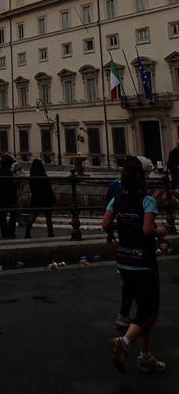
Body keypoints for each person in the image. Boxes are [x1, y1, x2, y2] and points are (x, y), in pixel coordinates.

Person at [103, 157, 167, 374]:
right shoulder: (147, 201)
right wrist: (161, 232)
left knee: (141, 310)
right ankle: (125, 342)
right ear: (143, 180)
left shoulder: (117, 200)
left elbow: (105, 224)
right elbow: (148, 230)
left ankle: (145, 356)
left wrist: (118, 226)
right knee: (150, 312)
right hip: (144, 262)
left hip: (124, 260)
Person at [24, 158, 55, 238]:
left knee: (33, 215)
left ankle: (27, 232)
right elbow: (49, 188)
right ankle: (50, 233)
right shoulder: (44, 176)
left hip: (36, 198)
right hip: (45, 198)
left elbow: (32, 188)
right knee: (48, 216)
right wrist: (53, 199)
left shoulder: (32, 176)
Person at [0, 153, 18, 238]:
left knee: (2, 215)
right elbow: (11, 189)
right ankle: (11, 231)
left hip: (1, 198)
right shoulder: (9, 174)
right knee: (13, 215)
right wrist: (14, 200)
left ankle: (4, 232)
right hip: (8, 198)